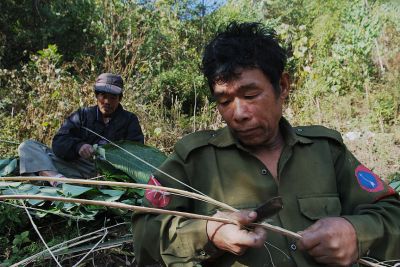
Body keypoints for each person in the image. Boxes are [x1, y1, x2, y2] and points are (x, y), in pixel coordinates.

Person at [132, 22, 400, 266]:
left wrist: (357, 234)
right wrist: (208, 233)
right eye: (224, 101)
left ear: (282, 86)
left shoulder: (325, 151)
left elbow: (392, 214)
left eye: (250, 94)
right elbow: (145, 234)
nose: (238, 113)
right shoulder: (193, 158)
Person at [19, 73, 144, 183]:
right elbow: (59, 142)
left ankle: (56, 179)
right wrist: (78, 146)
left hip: (109, 175)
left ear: (120, 99)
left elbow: (136, 154)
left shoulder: (129, 120)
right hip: (78, 167)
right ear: (96, 96)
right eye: (102, 95)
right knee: (28, 147)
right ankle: (56, 180)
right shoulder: (83, 115)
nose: (107, 101)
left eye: (112, 98)